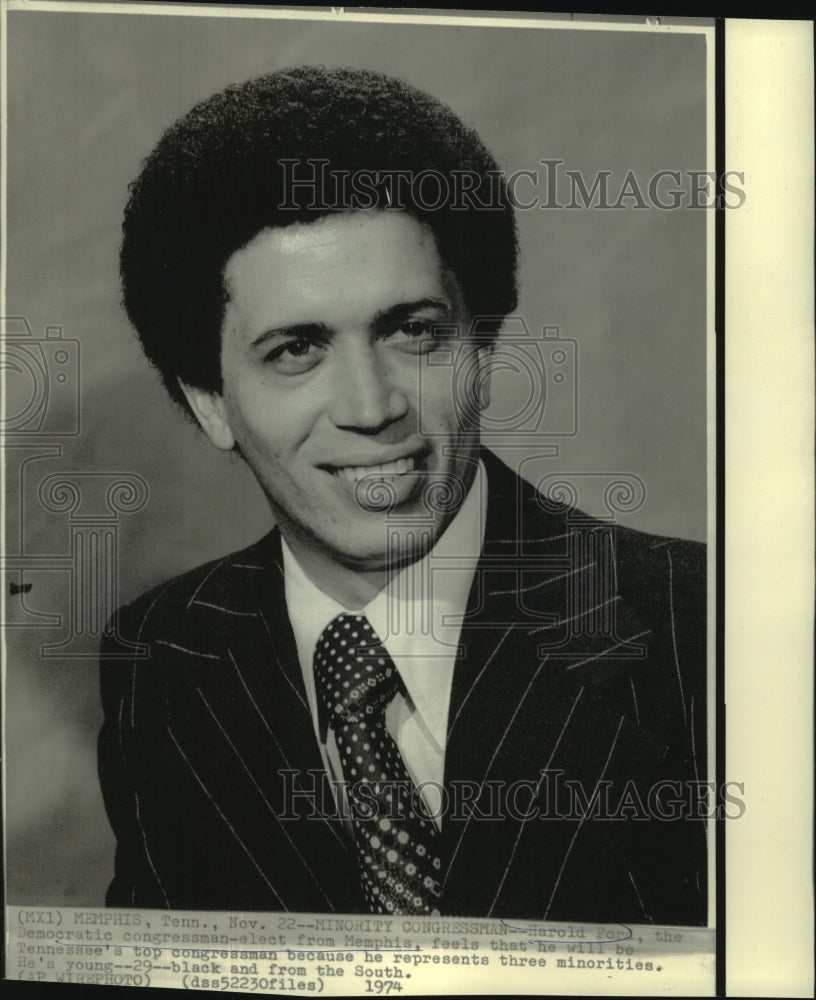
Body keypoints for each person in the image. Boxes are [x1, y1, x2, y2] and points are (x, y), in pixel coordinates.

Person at [98, 65, 707, 923]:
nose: (372, 407)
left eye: (414, 331)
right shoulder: (162, 659)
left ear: (484, 348)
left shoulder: (702, 628)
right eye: (296, 351)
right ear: (209, 401)